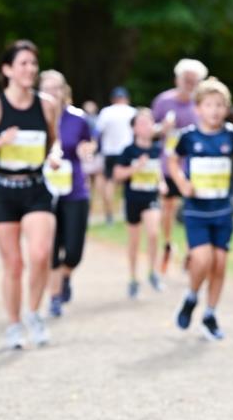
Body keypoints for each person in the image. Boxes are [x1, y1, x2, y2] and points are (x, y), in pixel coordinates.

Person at [0, 40, 60, 349]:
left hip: (36, 187)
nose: (30, 69)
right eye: (23, 63)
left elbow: (54, 141)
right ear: (7, 69)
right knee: (14, 264)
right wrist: (0, 142)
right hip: (4, 189)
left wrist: (54, 156)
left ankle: (34, 313)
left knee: (40, 254)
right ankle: (13, 324)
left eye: (33, 64)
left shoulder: (46, 104)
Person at [168, 77, 233, 340]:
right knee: (202, 259)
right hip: (196, 209)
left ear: (225, 108)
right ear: (198, 108)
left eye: (219, 105)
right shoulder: (188, 136)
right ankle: (192, 296)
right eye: (209, 105)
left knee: (220, 264)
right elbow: (172, 161)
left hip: (223, 210)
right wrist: (182, 182)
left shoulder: (231, 135)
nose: (214, 110)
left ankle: (210, 315)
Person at [39, 70, 95, 317]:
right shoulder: (35, 117)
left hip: (75, 190)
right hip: (44, 191)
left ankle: (65, 275)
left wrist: (86, 149)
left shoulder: (78, 118)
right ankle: (54, 297)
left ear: (64, 91)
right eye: (47, 88)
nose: (52, 92)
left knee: (73, 250)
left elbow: (90, 142)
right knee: (51, 247)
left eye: (56, 88)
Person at [151, 58, 208, 271]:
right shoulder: (163, 101)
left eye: (194, 80)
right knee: (167, 207)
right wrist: (162, 129)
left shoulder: (201, 104)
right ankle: (168, 244)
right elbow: (149, 131)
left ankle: (191, 251)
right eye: (187, 79)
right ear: (178, 79)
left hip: (193, 166)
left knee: (191, 210)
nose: (190, 84)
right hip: (168, 165)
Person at [114, 108, 165, 298]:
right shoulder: (129, 151)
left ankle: (153, 272)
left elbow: (159, 172)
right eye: (141, 123)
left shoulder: (157, 149)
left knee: (153, 233)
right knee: (134, 242)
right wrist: (135, 167)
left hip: (151, 198)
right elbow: (117, 175)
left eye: (149, 122)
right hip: (133, 199)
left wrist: (162, 183)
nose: (146, 126)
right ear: (134, 128)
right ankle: (133, 278)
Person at [96, 87, 136, 224]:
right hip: (127, 151)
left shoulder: (106, 112)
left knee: (110, 183)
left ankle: (109, 214)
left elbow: (98, 132)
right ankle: (127, 211)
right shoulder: (132, 112)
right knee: (129, 182)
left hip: (110, 151)